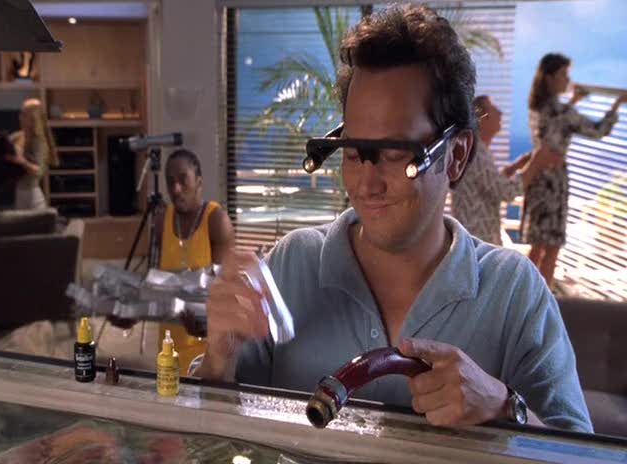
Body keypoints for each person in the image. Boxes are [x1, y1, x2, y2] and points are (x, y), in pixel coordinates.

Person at [197, 5, 592, 432]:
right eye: (353, 152)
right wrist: (219, 358)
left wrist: (502, 406)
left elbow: (582, 451)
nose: (367, 184)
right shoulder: (293, 265)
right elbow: (214, 430)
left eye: (395, 153)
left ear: (457, 155)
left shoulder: (514, 292)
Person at [522, 53, 626, 287]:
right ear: (549, 78)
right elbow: (598, 130)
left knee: (537, 248)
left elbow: (555, 127)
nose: (568, 80)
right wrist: (617, 104)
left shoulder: (538, 107)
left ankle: (524, 296)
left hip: (538, 182)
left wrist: (573, 102)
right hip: (553, 184)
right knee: (551, 250)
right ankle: (542, 301)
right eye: (563, 75)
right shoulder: (560, 111)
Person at [154, 149, 235, 375]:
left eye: (183, 180)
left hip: (205, 352)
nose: (176, 189)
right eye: (170, 182)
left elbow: (227, 294)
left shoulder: (216, 220)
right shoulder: (161, 220)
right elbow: (156, 283)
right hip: (168, 346)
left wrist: (206, 324)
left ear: (199, 181)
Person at [451, 95, 562, 245]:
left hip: (476, 240)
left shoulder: (478, 151)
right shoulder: (476, 155)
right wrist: (535, 164)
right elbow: (506, 191)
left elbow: (490, 183)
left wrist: (516, 166)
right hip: (476, 244)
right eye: (494, 109)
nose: (501, 113)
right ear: (482, 119)